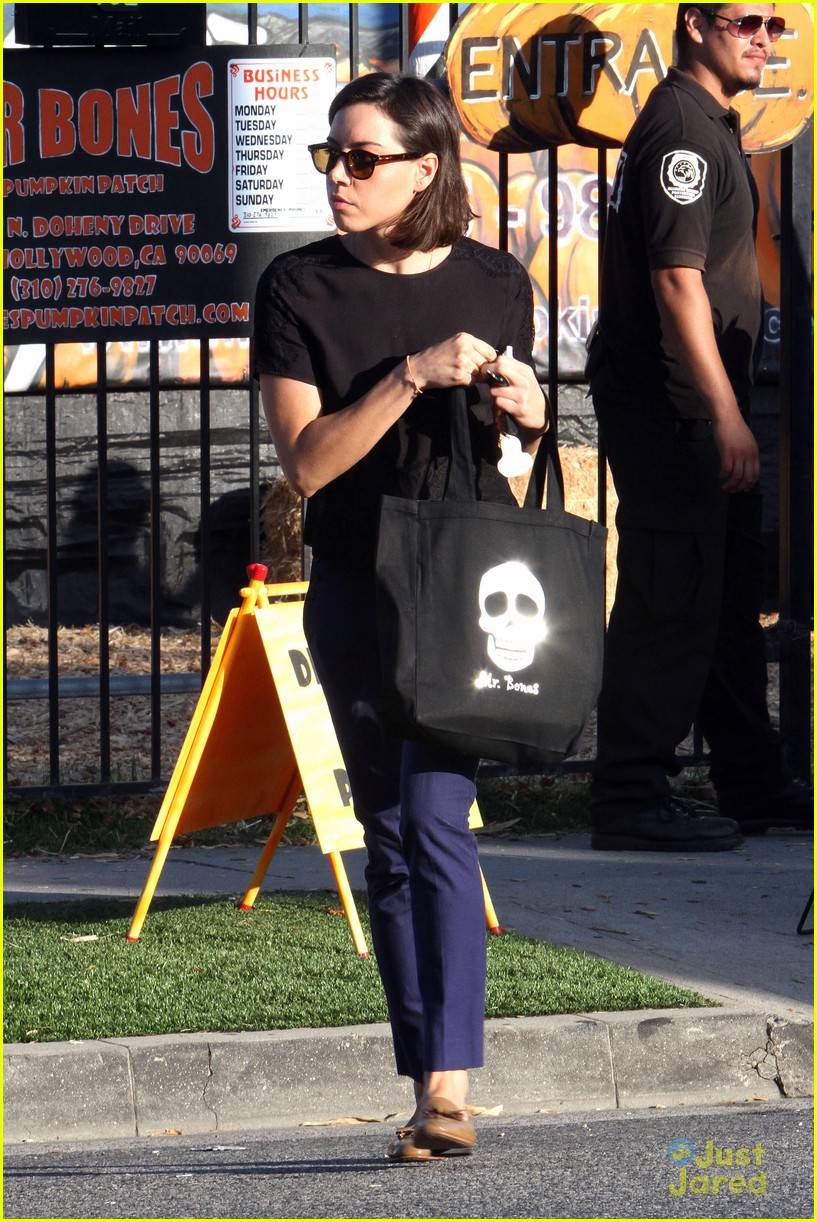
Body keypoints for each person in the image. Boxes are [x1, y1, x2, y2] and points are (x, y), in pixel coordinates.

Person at [253, 72, 547, 1160]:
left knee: (432, 817)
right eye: (332, 156)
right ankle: (427, 1077)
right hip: (353, 583)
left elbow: (513, 456)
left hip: (467, 585)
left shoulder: (494, 280)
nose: (337, 175)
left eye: (361, 158)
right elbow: (309, 463)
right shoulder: (298, 289)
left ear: (426, 169)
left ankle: (449, 1086)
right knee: (385, 833)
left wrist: (530, 412)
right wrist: (408, 376)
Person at [586, 4, 811, 851]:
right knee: (668, 597)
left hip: (694, 404)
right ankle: (629, 796)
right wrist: (724, 414)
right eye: (746, 21)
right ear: (692, 25)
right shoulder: (680, 130)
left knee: (719, 601)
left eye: (775, 27)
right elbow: (676, 283)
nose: (764, 38)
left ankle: (749, 782)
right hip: (674, 408)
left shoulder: (707, 122)